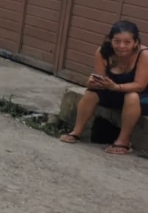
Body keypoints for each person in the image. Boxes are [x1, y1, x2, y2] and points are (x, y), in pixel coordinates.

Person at [61, 20, 147, 155]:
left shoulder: (144, 55)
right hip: (113, 90)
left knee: (131, 96)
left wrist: (115, 86)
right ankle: (76, 132)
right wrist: (92, 83)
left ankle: (123, 141)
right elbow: (99, 80)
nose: (121, 46)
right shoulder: (103, 53)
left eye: (127, 42)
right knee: (91, 93)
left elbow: (140, 86)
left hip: (139, 97)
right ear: (110, 40)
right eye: (117, 41)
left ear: (136, 42)